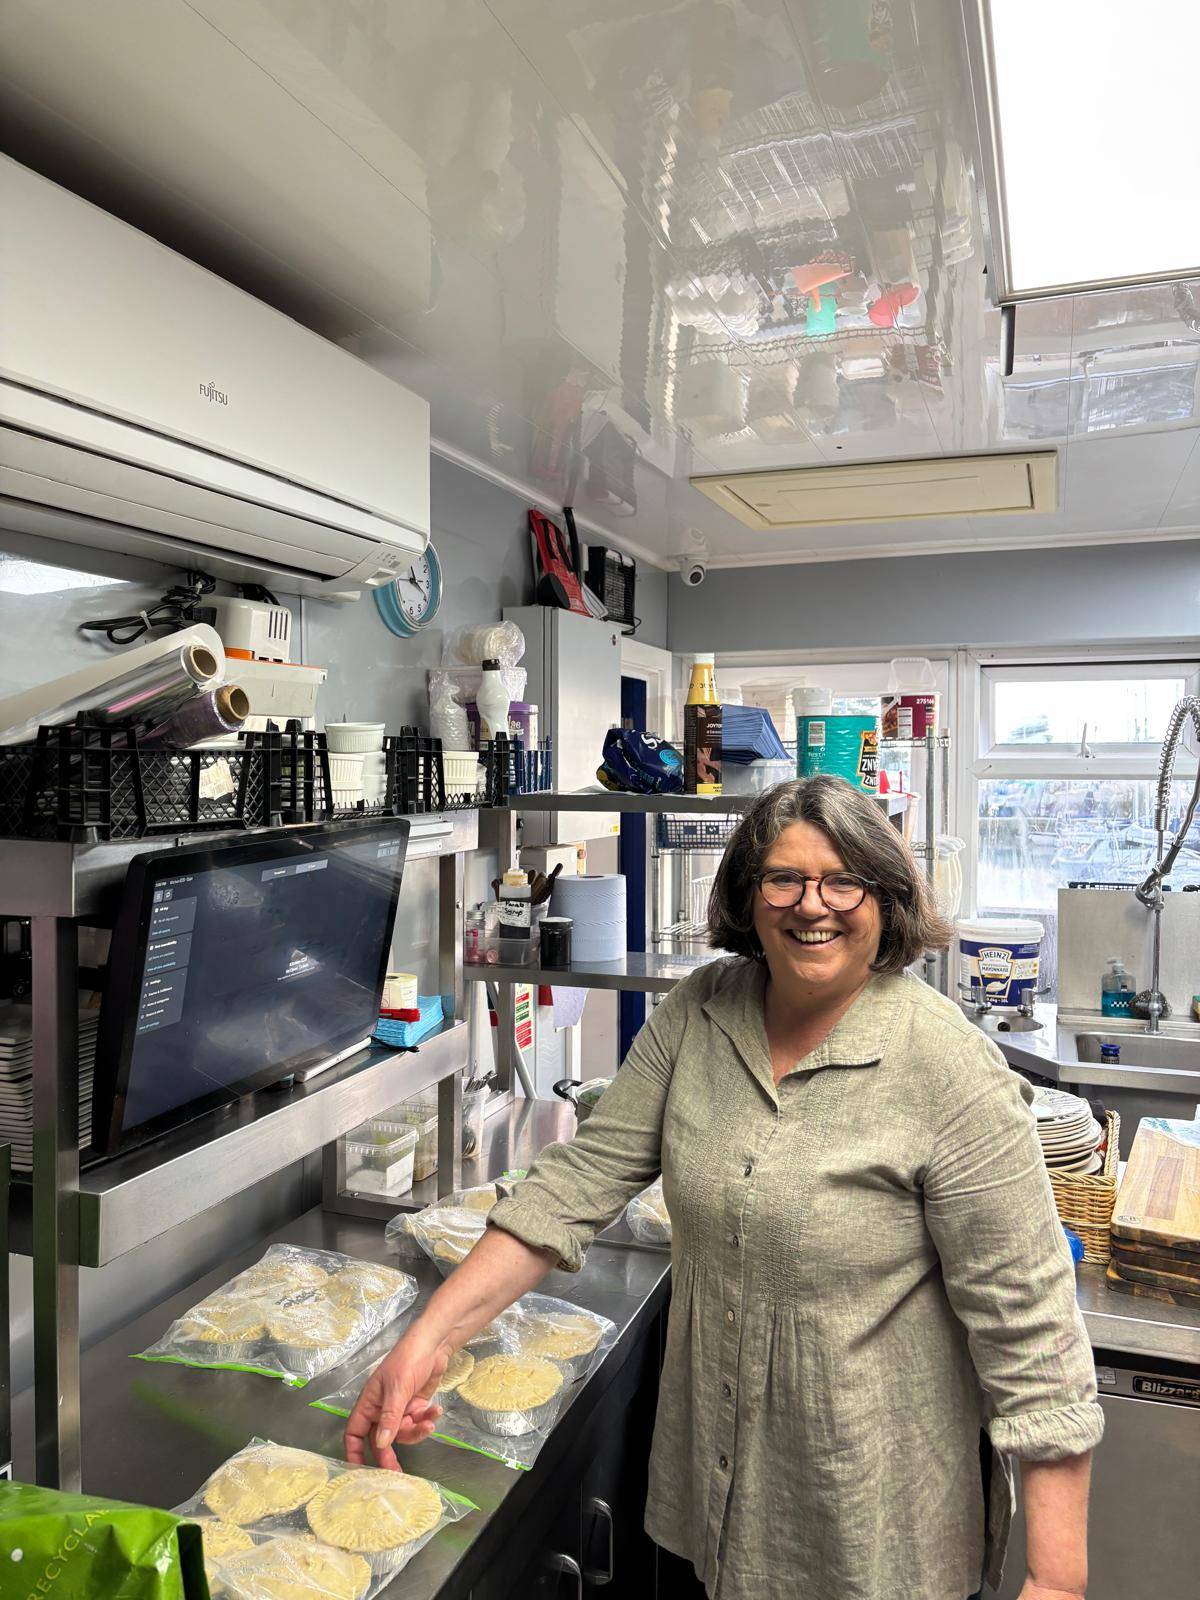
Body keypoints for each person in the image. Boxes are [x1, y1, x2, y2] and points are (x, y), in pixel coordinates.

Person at [346, 777, 1101, 1600]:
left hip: (874, 1526)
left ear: (885, 898)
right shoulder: (701, 1013)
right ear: (749, 893)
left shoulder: (946, 1069)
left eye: (844, 879)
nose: (814, 905)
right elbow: (575, 1185)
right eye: (784, 877)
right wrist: (428, 1340)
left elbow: (1031, 1326)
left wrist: (1055, 1580)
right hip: (716, 1497)